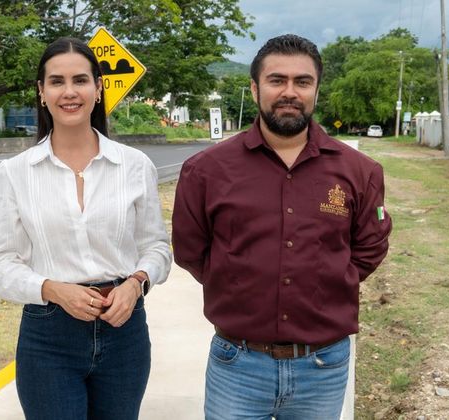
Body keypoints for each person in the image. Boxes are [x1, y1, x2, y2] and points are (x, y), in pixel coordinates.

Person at [172, 34, 392, 419]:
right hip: (237, 366)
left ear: (316, 90)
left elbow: (369, 248)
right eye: (277, 80)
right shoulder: (206, 170)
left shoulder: (359, 172)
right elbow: (191, 250)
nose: (289, 92)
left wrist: (327, 281)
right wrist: (237, 281)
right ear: (256, 88)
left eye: (302, 82)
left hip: (323, 367)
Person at [0, 37, 172, 419]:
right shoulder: (15, 173)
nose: (69, 92)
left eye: (80, 80)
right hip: (49, 334)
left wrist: (136, 283)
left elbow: (157, 247)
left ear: (99, 87)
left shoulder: (135, 165)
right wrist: (53, 290)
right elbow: (0, 265)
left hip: (124, 329)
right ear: (41, 92)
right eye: (56, 81)